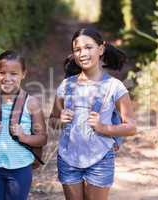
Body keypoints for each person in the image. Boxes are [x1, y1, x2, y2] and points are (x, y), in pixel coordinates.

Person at [49, 28, 136, 200]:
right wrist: (60, 120)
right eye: (77, 50)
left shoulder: (115, 87)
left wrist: (103, 127)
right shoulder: (66, 86)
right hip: (68, 158)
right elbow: (52, 121)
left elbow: (131, 127)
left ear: (101, 49)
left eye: (89, 47)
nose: (83, 53)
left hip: (100, 159)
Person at [0, 50, 47, 200]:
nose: (7, 78)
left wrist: (24, 136)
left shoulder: (31, 103)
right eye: (2, 72)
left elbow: (43, 139)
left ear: (23, 74)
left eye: (13, 74)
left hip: (20, 167)